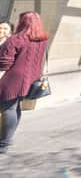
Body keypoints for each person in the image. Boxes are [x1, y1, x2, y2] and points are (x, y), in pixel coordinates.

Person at [0, 11, 48, 153]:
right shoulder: (42, 40)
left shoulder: (15, 39)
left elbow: (4, 64)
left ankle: (4, 142)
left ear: (23, 22)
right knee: (15, 107)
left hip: (12, 79)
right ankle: (7, 138)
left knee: (8, 108)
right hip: (29, 79)